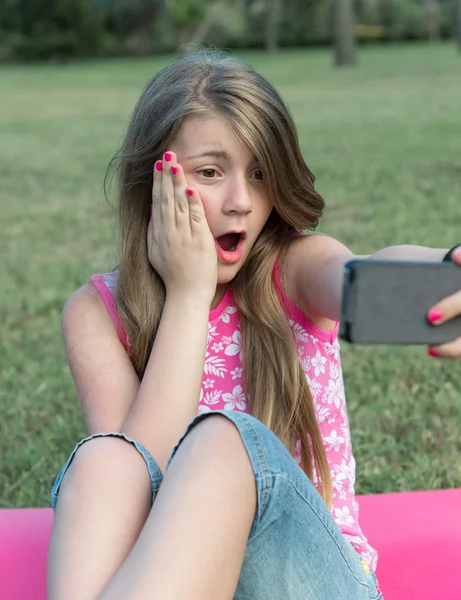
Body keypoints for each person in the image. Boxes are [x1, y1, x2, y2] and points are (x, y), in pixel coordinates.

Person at [46, 48, 461, 600]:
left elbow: (359, 275)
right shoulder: (96, 312)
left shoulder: (294, 269)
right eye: (211, 172)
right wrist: (188, 297)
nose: (241, 201)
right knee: (104, 459)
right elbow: (138, 482)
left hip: (313, 582)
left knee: (223, 439)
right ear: (153, 183)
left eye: (261, 173)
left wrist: (445, 269)